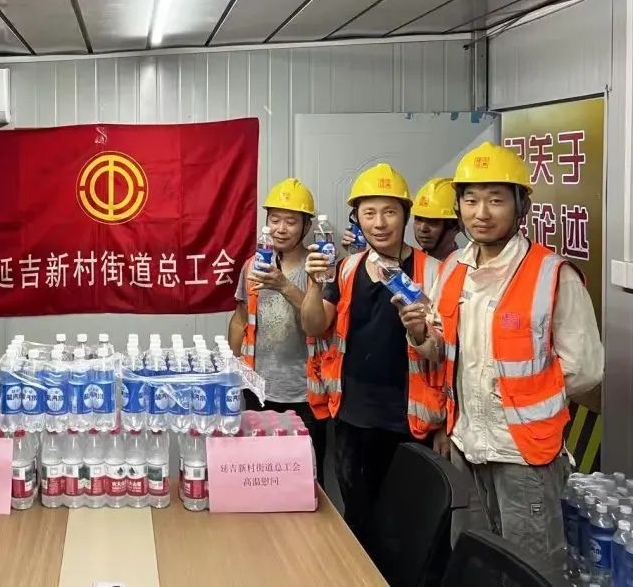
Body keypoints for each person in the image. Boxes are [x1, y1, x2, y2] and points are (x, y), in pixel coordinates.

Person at [400, 142, 603, 580]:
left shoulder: (552, 274)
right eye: (471, 200)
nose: (482, 213)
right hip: (465, 444)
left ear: (520, 206)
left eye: (496, 200)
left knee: (530, 568)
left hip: (523, 454)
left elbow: (586, 368)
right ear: (458, 206)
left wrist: (521, 398)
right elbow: (441, 351)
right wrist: (419, 334)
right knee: (475, 563)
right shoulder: (453, 269)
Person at [299, 163, 441, 541]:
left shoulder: (435, 271)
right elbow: (313, 325)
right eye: (369, 213)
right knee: (359, 518)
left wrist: (446, 425)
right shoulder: (347, 268)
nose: (379, 223)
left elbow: (448, 352)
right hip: (354, 415)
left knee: (409, 528)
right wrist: (314, 283)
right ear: (357, 219)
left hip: (411, 420)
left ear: (406, 215)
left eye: (389, 211)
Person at [229, 177, 327, 486]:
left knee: (305, 480)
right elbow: (239, 319)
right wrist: (232, 368)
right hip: (258, 391)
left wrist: (284, 286)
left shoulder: (319, 269)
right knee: (259, 476)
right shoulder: (252, 266)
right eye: (275, 220)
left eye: (291, 221)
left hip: (305, 394)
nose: (281, 228)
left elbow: (319, 324)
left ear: (306, 225)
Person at [411, 177, 460, 261]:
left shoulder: (468, 268)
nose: (423, 228)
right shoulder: (407, 265)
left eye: (433, 221)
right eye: (419, 219)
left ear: (456, 227)